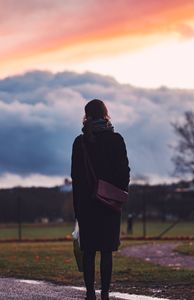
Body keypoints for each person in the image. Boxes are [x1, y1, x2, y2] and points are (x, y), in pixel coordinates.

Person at [71, 99, 130, 300]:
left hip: (87, 204)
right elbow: (124, 172)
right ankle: (105, 293)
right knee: (106, 251)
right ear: (106, 114)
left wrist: (77, 208)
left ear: (86, 115)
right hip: (110, 204)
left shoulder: (80, 142)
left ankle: (90, 293)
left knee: (88, 251)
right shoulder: (116, 139)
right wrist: (119, 193)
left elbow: (76, 178)